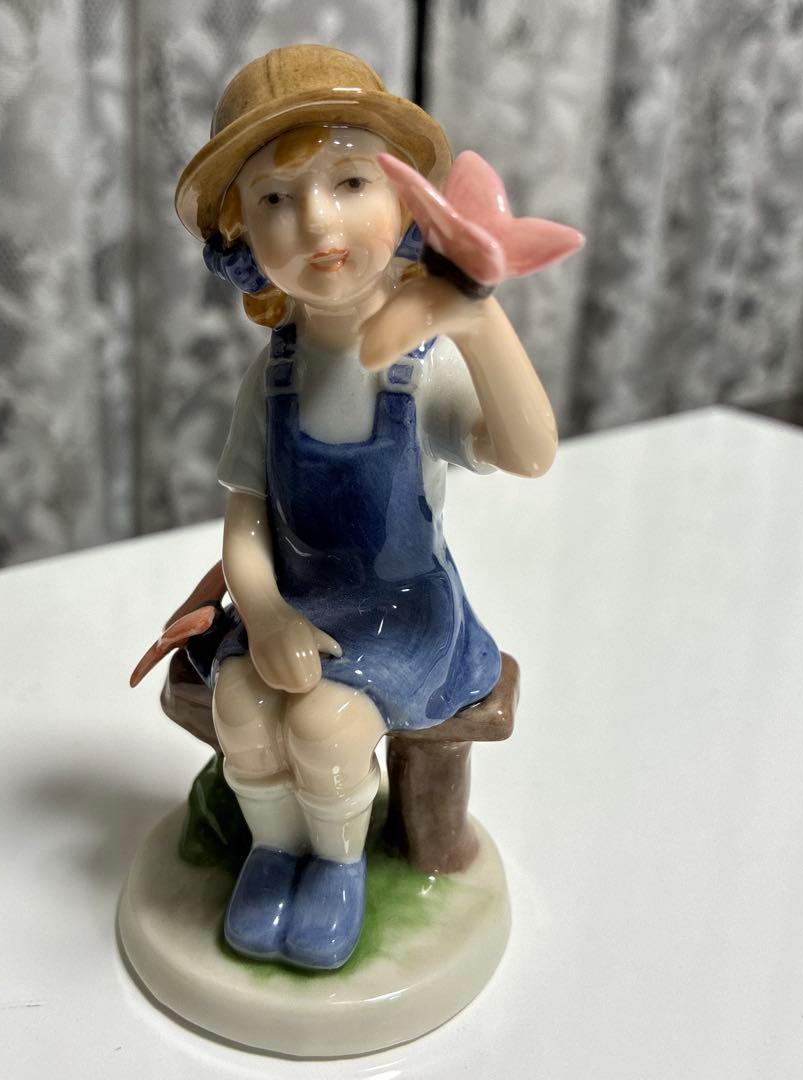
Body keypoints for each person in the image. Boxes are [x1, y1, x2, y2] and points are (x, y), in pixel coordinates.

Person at [174, 45, 559, 970]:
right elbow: (246, 519)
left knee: (326, 725)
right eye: (275, 198)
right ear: (241, 234)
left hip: (404, 613)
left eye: (350, 181)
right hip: (294, 602)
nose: (317, 221)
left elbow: (529, 453)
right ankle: (277, 854)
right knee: (242, 705)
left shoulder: (420, 370)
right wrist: (266, 615)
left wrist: (477, 318)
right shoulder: (270, 377)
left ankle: (339, 866)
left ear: (406, 201)